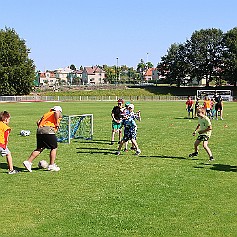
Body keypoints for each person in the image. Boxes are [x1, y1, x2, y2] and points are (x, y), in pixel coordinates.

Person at [23, 106, 63, 172]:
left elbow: (38, 122)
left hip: (39, 131)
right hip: (48, 130)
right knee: (54, 147)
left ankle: (28, 162)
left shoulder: (46, 114)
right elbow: (56, 113)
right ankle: (51, 165)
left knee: (40, 148)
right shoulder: (56, 112)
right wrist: (57, 123)